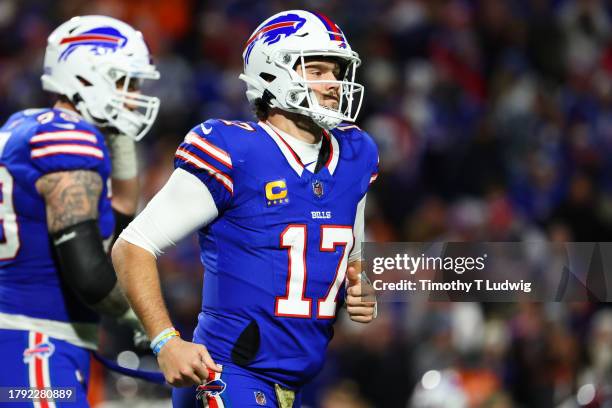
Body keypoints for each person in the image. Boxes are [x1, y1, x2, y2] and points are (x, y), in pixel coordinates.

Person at [112, 9, 378, 408]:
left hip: (298, 385)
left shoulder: (356, 153)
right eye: (318, 69)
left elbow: (349, 257)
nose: (334, 84)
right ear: (273, 73)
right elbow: (132, 246)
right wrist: (165, 340)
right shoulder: (235, 150)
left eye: (337, 72)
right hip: (227, 375)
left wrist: (361, 290)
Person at [0, 15, 159, 406]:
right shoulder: (69, 138)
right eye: (127, 81)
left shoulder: (23, 124)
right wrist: (149, 321)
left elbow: (119, 214)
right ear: (89, 76)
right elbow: (89, 273)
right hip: (35, 341)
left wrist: (118, 137)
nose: (135, 94)